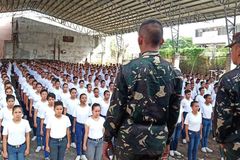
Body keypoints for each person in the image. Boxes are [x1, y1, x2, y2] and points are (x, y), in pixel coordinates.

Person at [103, 19, 183, 160]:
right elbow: (174, 113)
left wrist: (107, 137)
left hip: (128, 141)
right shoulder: (175, 72)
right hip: (157, 142)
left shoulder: (127, 68)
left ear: (140, 40)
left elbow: (116, 108)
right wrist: (167, 140)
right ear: (162, 41)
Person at [214, 32, 240, 159]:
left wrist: (221, 139)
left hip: (235, 143)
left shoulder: (229, 79)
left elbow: (223, 117)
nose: (231, 53)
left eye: (232, 49)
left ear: (238, 49)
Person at [73, 93, 90, 160]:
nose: (84, 99)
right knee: (79, 139)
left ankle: (83, 154)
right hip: (78, 125)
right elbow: (75, 118)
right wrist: (74, 127)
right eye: (82, 98)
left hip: (86, 125)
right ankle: (78, 154)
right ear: (80, 99)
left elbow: (89, 118)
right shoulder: (77, 107)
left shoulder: (88, 107)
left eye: (85, 98)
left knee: (84, 140)